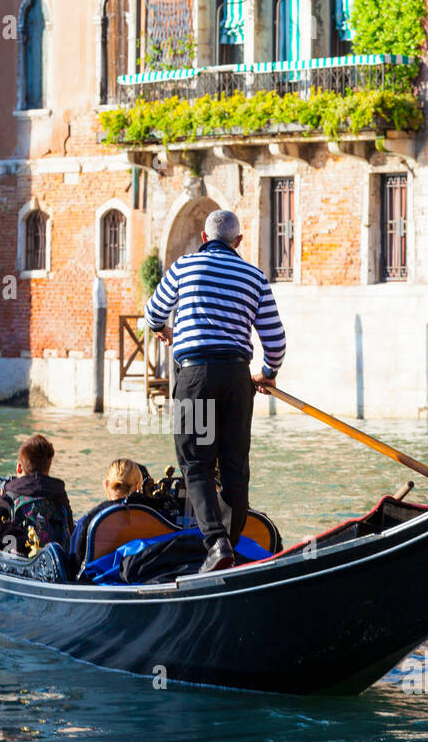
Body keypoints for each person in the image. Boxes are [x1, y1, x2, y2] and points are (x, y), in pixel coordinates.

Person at [145, 209, 286, 573]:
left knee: (197, 463)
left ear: (204, 239)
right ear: (238, 242)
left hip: (195, 380)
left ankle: (216, 543)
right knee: (236, 466)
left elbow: (153, 313)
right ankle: (232, 544)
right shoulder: (254, 276)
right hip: (238, 381)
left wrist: (163, 328)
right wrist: (267, 373)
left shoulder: (184, 266)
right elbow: (276, 339)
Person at [0, 434, 74, 552]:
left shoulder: (9, 492)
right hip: (56, 556)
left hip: (22, 557)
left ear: (19, 467)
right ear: (48, 469)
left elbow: (3, 535)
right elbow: (70, 526)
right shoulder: (59, 492)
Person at [70, 458, 144, 566]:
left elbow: (73, 564)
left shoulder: (88, 521)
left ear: (106, 484)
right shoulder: (151, 513)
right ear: (138, 486)